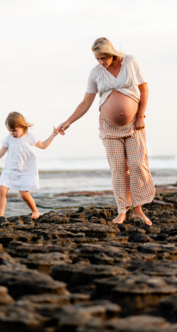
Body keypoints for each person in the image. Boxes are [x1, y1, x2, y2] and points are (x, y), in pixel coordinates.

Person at [58, 38, 155, 225]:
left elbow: (144, 89)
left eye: (103, 57)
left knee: (136, 166)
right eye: (97, 59)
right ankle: (122, 211)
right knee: (118, 169)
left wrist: (141, 115)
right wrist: (68, 121)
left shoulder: (130, 61)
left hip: (134, 124)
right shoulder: (95, 73)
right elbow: (86, 103)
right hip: (109, 127)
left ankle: (138, 211)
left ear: (112, 53)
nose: (101, 62)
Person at [0, 111, 59, 218]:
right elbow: (0, 152)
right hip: (10, 170)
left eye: (14, 130)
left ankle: (35, 211)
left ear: (22, 127)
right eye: (9, 130)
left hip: (25, 171)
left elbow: (43, 145)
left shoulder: (30, 137)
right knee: (1, 190)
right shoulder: (8, 139)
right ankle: (0, 215)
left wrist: (53, 135)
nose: (12, 133)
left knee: (24, 195)